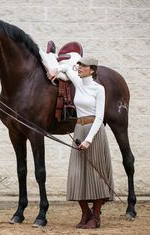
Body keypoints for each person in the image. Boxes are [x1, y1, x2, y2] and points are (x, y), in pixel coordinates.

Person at [47, 57, 114, 229]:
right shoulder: (78, 82)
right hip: (78, 128)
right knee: (76, 174)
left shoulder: (99, 89)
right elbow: (66, 68)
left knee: (96, 175)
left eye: (83, 66)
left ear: (92, 70)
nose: (80, 68)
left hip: (94, 133)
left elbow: (100, 117)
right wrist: (55, 70)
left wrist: (88, 140)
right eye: (80, 65)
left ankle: (96, 216)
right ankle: (86, 213)